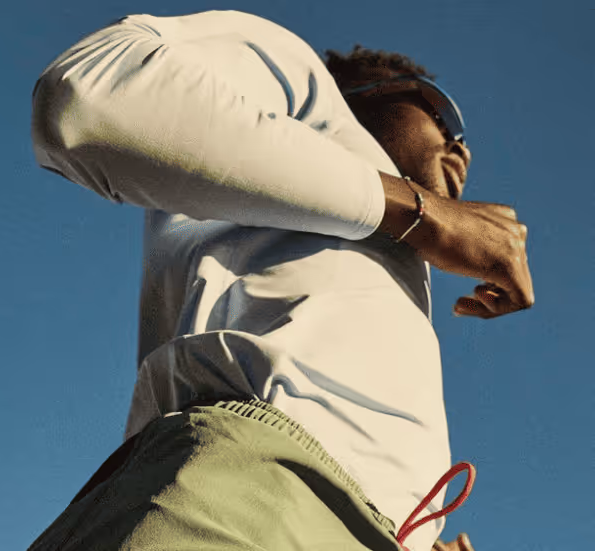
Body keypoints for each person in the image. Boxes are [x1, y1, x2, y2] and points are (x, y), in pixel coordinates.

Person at [28, 9, 533, 551]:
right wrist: (420, 212)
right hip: (250, 491)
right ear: (362, 93)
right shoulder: (303, 82)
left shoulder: (366, 236)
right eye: (439, 110)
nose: (460, 149)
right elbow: (90, 93)